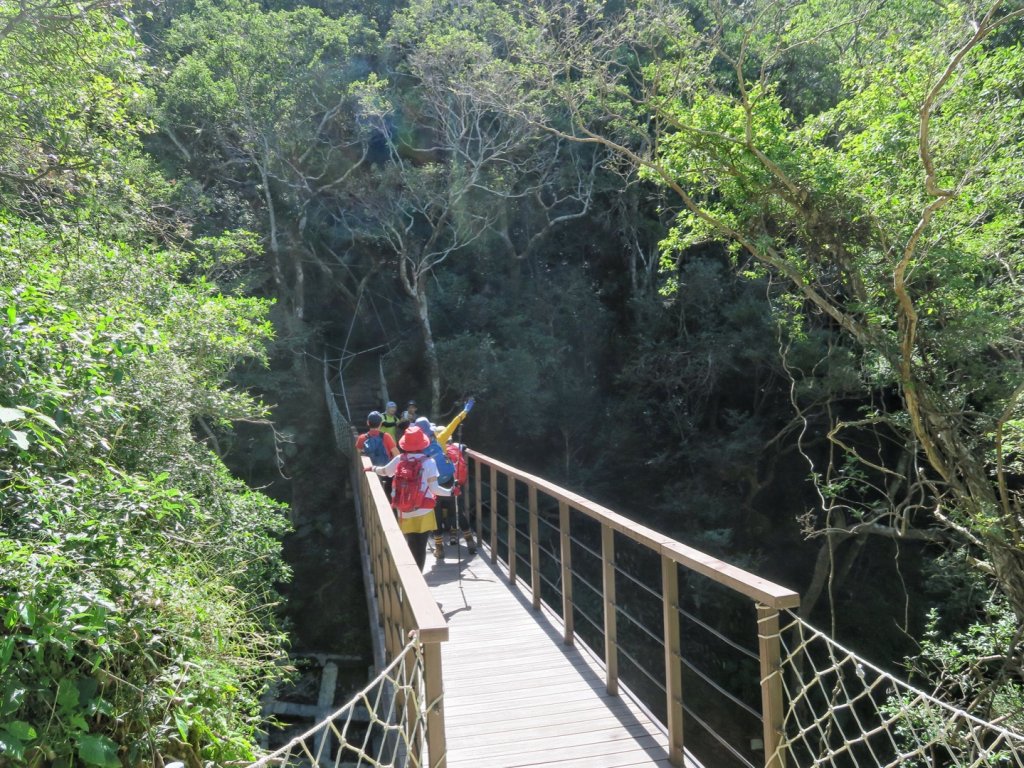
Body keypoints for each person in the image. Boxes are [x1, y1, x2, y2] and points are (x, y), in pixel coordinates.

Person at [371, 426, 451, 571]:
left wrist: (372, 469)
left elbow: (384, 472)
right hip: (424, 510)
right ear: (423, 444)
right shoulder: (429, 462)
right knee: (420, 547)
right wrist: (451, 492)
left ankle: (410, 575)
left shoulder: (399, 459)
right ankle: (418, 577)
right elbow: (435, 489)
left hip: (404, 509)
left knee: (411, 543)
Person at [414, 412, 476, 560]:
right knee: (457, 512)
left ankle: (440, 548)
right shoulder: (440, 439)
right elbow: (453, 424)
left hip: (432, 484)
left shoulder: (417, 448)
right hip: (449, 482)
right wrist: (465, 411)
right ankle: (469, 541)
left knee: (436, 517)